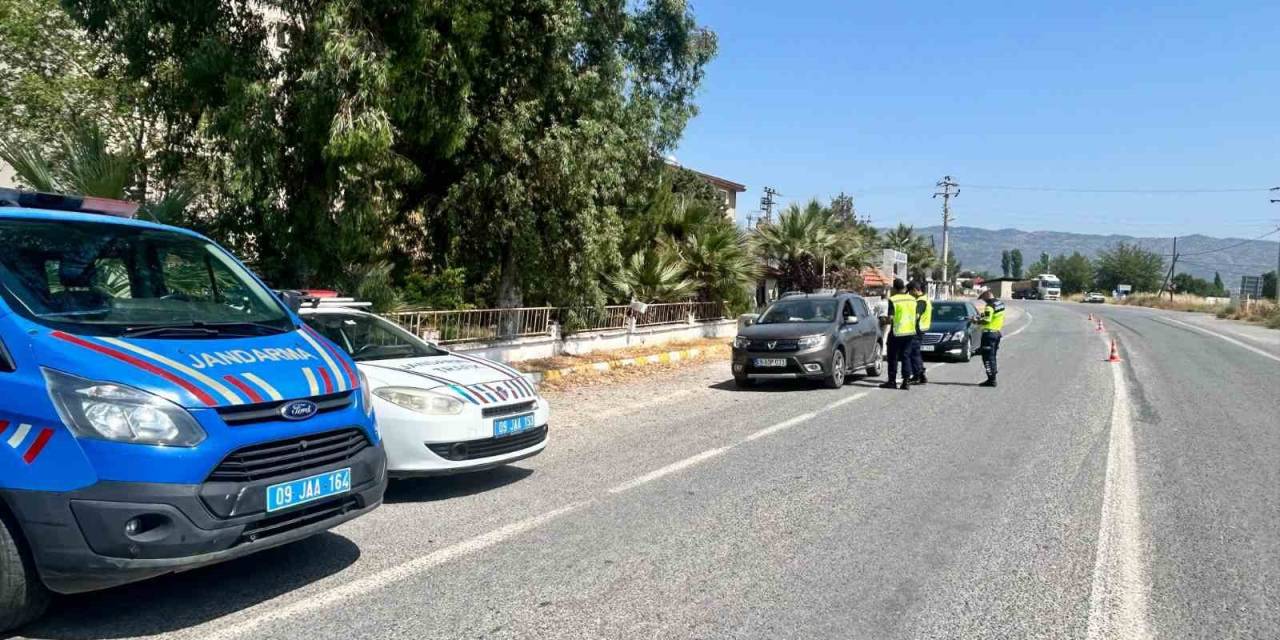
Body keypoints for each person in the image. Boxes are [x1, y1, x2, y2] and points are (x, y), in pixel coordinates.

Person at [880, 278, 917, 390]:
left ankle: (892, 381)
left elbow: (891, 318)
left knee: (893, 357)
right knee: (906, 356)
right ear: (904, 287)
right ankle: (906, 382)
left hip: (897, 332)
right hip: (910, 331)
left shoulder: (893, 299)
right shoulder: (912, 299)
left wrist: (882, 321)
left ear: (894, 288)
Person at [974, 289, 1007, 387]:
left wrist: (976, 321)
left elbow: (987, 321)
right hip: (997, 332)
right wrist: (981, 316)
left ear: (987, 295)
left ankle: (991, 380)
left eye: (983, 298)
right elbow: (992, 316)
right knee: (992, 356)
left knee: (987, 357)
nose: (983, 301)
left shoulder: (989, 306)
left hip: (989, 334)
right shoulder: (1000, 303)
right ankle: (993, 376)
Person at [908, 281, 932, 384]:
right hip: (922, 329)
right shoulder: (925, 298)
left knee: (914, 353)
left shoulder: (921, 301)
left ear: (914, 290)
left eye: (910, 292)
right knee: (915, 352)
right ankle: (921, 375)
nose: (910, 294)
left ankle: (917, 375)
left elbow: (916, 315)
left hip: (918, 329)